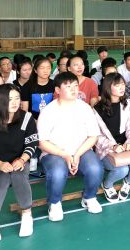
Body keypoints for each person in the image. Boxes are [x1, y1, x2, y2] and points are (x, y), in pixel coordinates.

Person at [0, 84, 38, 242]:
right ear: (0, 100)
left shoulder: (26, 118)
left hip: (18, 162)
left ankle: (27, 215)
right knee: (2, 177)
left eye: (17, 98)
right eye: (10, 99)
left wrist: (22, 159)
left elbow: (32, 143)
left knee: (18, 175)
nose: (15, 102)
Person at [38, 72, 104, 221]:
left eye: (75, 85)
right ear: (57, 90)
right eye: (68, 86)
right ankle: (54, 203)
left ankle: (89, 197)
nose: (74, 89)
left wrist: (78, 154)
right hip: (54, 152)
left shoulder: (85, 108)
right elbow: (42, 142)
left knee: (95, 168)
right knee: (57, 172)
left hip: (81, 149)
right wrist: (65, 155)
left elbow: (93, 136)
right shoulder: (48, 111)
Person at [94, 73, 130, 203]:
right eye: (117, 85)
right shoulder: (97, 109)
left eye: (123, 84)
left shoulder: (127, 103)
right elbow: (97, 135)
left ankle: (128, 183)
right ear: (108, 87)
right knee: (122, 170)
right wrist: (113, 146)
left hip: (127, 145)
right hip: (107, 148)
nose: (122, 87)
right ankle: (107, 185)